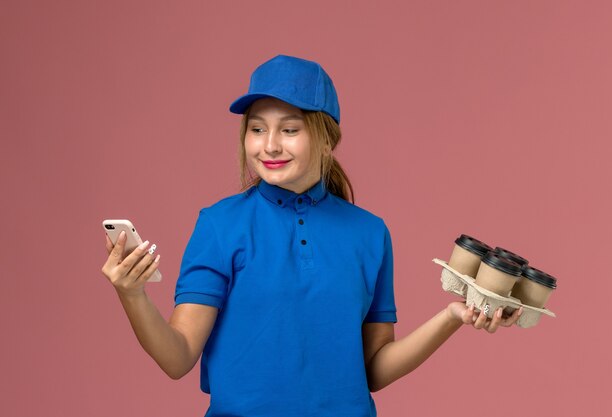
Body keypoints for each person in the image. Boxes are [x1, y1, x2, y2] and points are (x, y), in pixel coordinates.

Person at [101, 54, 522, 417]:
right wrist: (133, 295)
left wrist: (451, 318)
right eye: (256, 129)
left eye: (289, 129)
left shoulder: (370, 234)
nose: (269, 146)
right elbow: (177, 358)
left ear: (325, 138)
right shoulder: (219, 225)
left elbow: (372, 369)